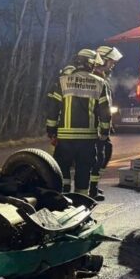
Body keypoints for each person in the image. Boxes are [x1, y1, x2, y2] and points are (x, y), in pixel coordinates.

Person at [46, 49, 111, 196]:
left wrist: (51, 131)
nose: (95, 67)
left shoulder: (62, 81)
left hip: (65, 138)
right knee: (84, 170)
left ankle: (63, 199)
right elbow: (105, 113)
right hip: (87, 139)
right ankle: (82, 201)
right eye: (94, 64)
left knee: (63, 169)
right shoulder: (100, 83)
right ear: (89, 63)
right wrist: (105, 133)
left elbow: (53, 109)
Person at [89, 46, 123, 200]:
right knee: (98, 156)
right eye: (111, 62)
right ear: (102, 60)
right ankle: (91, 189)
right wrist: (103, 126)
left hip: (100, 124)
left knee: (104, 153)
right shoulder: (95, 77)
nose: (113, 65)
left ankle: (93, 186)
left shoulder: (102, 76)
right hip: (94, 126)